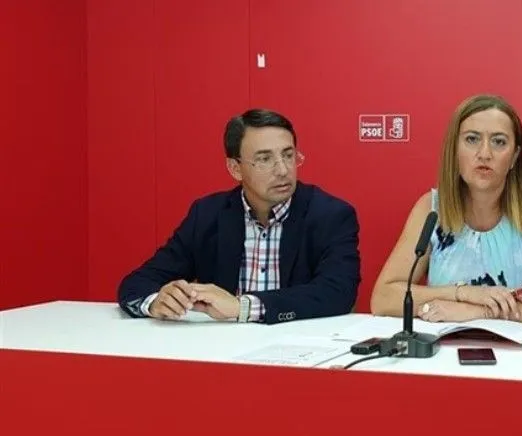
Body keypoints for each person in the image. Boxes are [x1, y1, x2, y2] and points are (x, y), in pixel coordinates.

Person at [117, 109, 360, 324]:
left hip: (299, 347)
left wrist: (243, 307)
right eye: (264, 159)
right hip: (223, 349)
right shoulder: (207, 215)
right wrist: (156, 302)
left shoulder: (330, 215)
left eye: (288, 155)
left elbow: (337, 292)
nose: (283, 170)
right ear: (235, 168)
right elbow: (138, 283)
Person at [370, 94, 522, 326]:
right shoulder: (431, 208)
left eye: (499, 142)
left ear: (514, 156)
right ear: (454, 150)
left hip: (515, 348)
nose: (484, 153)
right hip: (443, 346)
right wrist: (463, 293)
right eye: (472, 139)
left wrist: (477, 311)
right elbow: (383, 298)